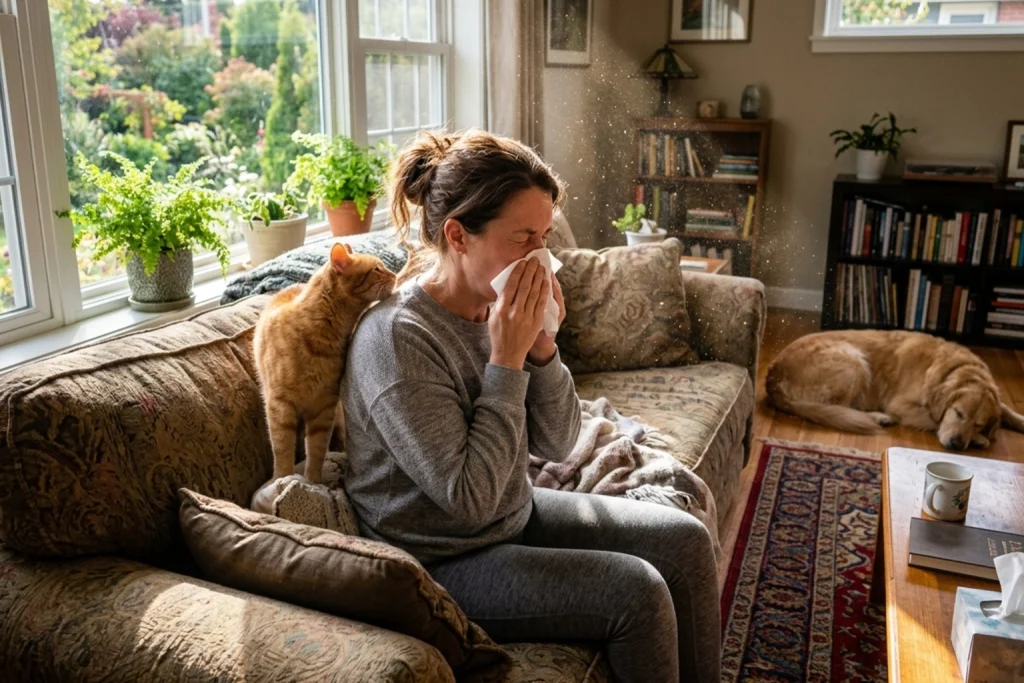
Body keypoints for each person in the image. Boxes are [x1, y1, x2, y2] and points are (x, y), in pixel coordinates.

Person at [341, 129, 720, 683]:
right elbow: (469, 500)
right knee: (638, 592)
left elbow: (558, 443)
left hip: (512, 513)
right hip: (443, 558)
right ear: (458, 235)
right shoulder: (398, 339)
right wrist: (507, 359)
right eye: (523, 237)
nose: (541, 255)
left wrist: (543, 351)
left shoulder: (498, 307)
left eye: (544, 236)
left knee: (684, 539)